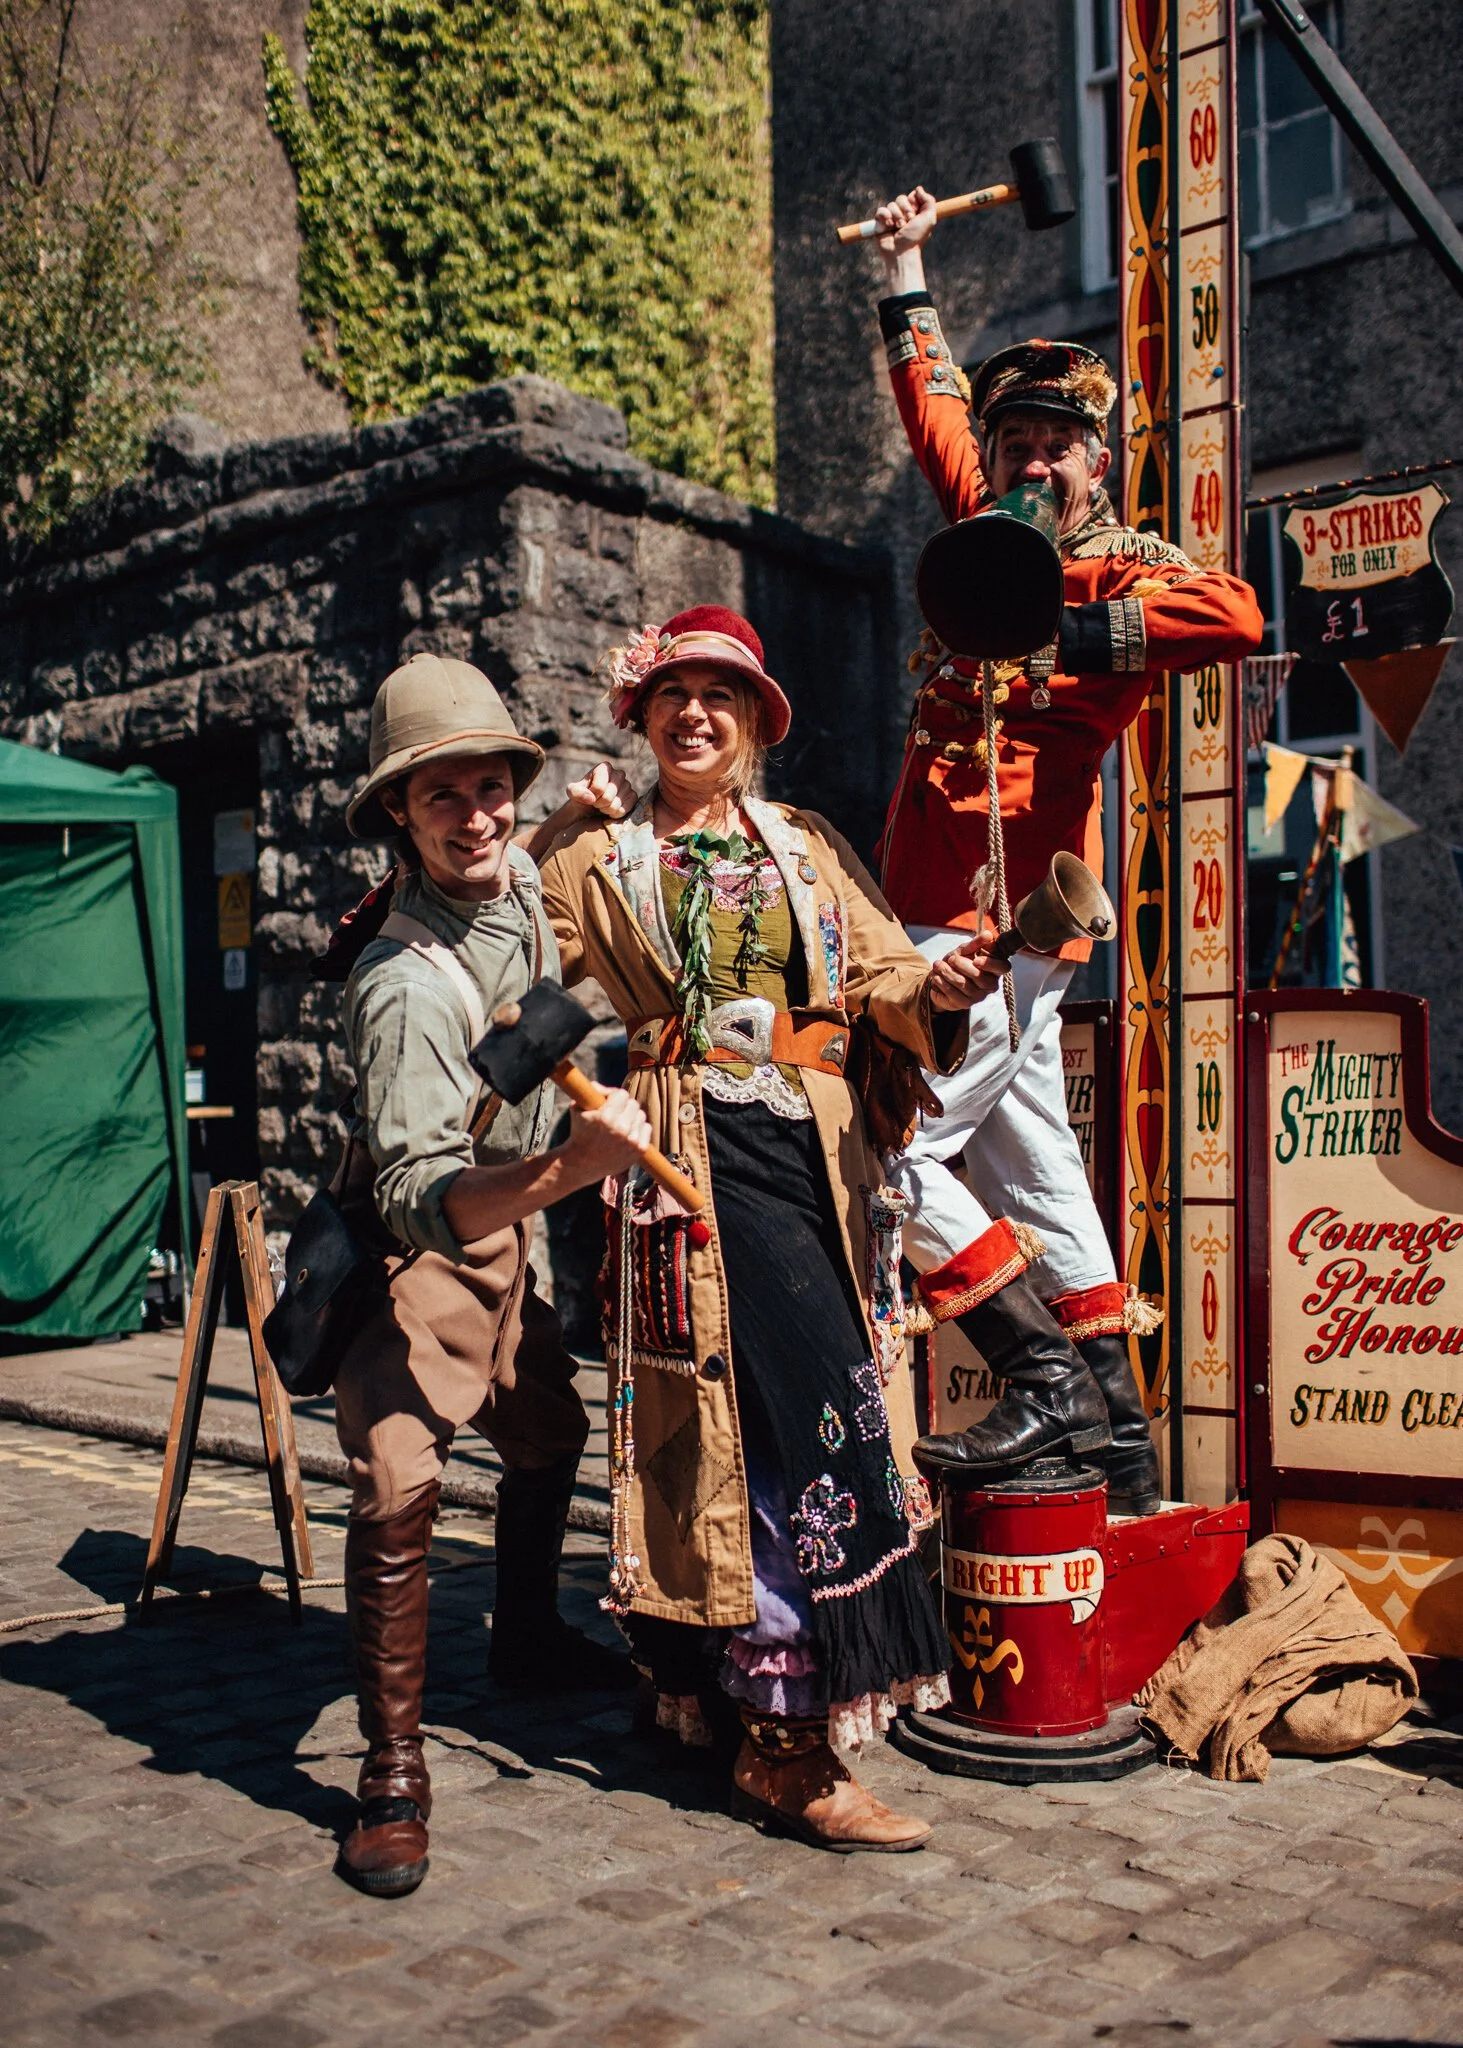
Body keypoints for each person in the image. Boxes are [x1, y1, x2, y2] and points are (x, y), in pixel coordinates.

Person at [538, 605, 998, 1853]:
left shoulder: (804, 842)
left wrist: (937, 982)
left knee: (809, 1403)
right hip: (687, 1150)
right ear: (641, 716)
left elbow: (882, 972)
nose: (694, 714)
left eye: (720, 697)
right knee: (770, 1412)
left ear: (753, 722)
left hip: (817, 1149)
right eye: (673, 694)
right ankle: (782, 1743)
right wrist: (552, 827)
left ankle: (724, 1690)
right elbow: (511, 939)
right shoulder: (600, 858)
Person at [868, 188, 1265, 1499]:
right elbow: (932, 408)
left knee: (885, 1150)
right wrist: (904, 266)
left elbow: (1237, 613)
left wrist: (1068, 633)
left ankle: (1037, 1379)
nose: (1031, 466)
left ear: (1098, 465)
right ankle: (1123, 1449)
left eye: (1056, 448)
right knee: (1035, 1171)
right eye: (1016, 445)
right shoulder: (985, 530)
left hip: (996, 927)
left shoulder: (1119, 564)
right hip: (937, 912)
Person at [329, 651, 652, 1899]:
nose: (477, 818)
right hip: (426, 1248)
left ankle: (522, 1637)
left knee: (549, 1426)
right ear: (398, 817)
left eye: (491, 788)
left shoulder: (512, 868)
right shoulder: (401, 990)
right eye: (442, 797)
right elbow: (419, 1194)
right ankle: (390, 1775)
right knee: (396, 1480)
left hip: (512, 1228)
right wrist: (572, 1167)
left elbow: (524, 861)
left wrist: (570, 816)